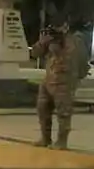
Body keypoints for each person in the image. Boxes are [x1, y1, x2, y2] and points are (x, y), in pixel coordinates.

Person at [31, 16, 80, 150]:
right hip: (49, 79)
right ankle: (45, 138)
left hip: (64, 81)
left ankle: (62, 141)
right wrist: (43, 42)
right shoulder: (50, 40)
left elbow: (73, 59)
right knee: (42, 108)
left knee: (63, 112)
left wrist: (60, 44)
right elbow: (35, 53)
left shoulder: (72, 40)